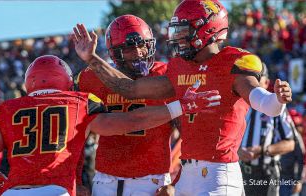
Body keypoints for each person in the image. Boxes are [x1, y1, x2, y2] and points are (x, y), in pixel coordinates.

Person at [71, 0, 292, 195]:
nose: (178, 38)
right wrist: (91, 58)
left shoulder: (227, 63)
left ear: (209, 29)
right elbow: (129, 88)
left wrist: (277, 100)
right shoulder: (177, 67)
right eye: (176, 31)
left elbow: (264, 104)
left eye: (183, 31)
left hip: (206, 173)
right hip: (172, 175)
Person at [0, 55, 218, 196]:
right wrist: (179, 106)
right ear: (66, 80)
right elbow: (132, 120)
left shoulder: (7, 110)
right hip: (56, 191)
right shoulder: (78, 103)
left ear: (29, 82)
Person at [77, 15, 173, 196]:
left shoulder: (165, 75)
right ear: (115, 52)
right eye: (129, 48)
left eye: (142, 44)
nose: (138, 52)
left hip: (153, 182)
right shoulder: (91, 78)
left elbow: (187, 133)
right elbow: (77, 136)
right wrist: (77, 180)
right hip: (106, 180)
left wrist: (177, 182)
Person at [239, 63, 295, 196]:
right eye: (248, 78)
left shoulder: (276, 107)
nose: (250, 83)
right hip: (240, 171)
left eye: (255, 79)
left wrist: (263, 150)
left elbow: (290, 143)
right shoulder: (239, 106)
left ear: (266, 82)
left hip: (266, 173)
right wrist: (237, 151)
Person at [279, 109, 305, 196]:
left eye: (299, 125)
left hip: (290, 181)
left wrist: (298, 181)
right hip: (276, 177)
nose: (299, 128)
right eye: (296, 125)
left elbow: (301, 160)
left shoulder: (297, 139)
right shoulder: (277, 135)